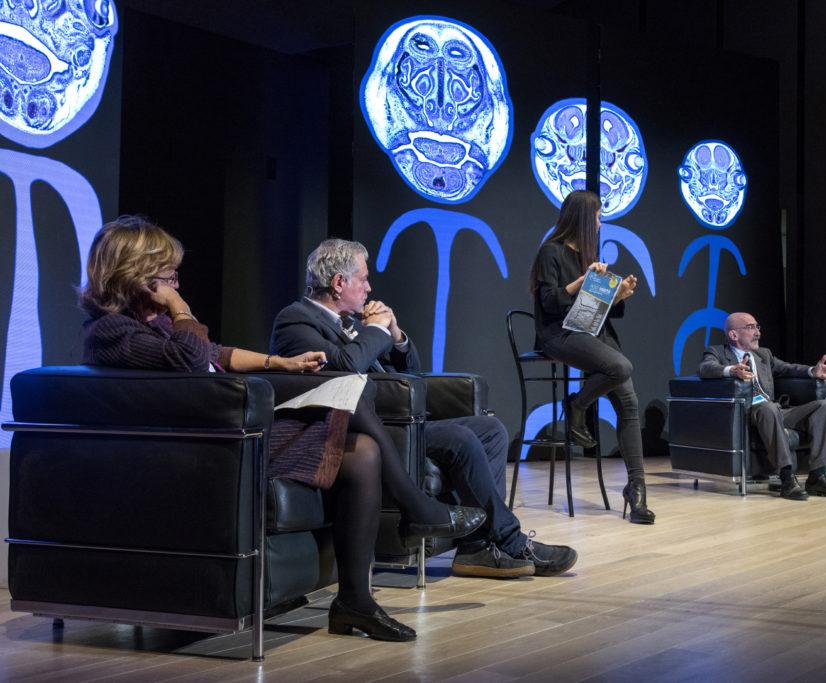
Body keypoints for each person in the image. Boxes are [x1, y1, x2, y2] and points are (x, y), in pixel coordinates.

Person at [78, 215, 487, 642]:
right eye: (167, 276)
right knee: (349, 389)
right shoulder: (113, 331)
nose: (176, 284)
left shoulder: (154, 324)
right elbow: (191, 361)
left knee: (362, 448)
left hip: (238, 429)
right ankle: (416, 509)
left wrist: (281, 363)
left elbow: (218, 352)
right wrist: (182, 310)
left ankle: (355, 601)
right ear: (137, 277)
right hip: (216, 447)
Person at [270, 239, 578, 579]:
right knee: (461, 439)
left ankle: (476, 548)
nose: (370, 287)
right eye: (363, 279)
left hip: (403, 421)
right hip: (371, 430)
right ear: (339, 283)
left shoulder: (354, 322)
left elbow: (411, 371)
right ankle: (512, 540)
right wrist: (373, 329)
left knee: (491, 430)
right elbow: (345, 368)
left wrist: (395, 333)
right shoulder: (296, 320)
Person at [527, 190, 654, 524]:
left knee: (628, 400)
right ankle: (577, 406)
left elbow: (591, 311)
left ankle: (637, 490)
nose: (599, 223)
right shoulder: (550, 252)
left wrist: (617, 295)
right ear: (583, 218)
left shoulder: (588, 255)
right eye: (597, 217)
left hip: (590, 333)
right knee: (621, 366)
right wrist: (580, 283)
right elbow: (549, 303)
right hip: (558, 335)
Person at [698, 312, 826, 500]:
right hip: (746, 412)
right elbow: (705, 368)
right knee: (768, 408)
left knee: (823, 406)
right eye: (750, 327)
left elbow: (788, 368)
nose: (758, 333)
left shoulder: (763, 354)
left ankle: (818, 477)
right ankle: (786, 478)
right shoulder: (717, 352)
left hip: (774, 409)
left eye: (757, 327)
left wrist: (813, 371)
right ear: (733, 335)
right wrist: (731, 370)